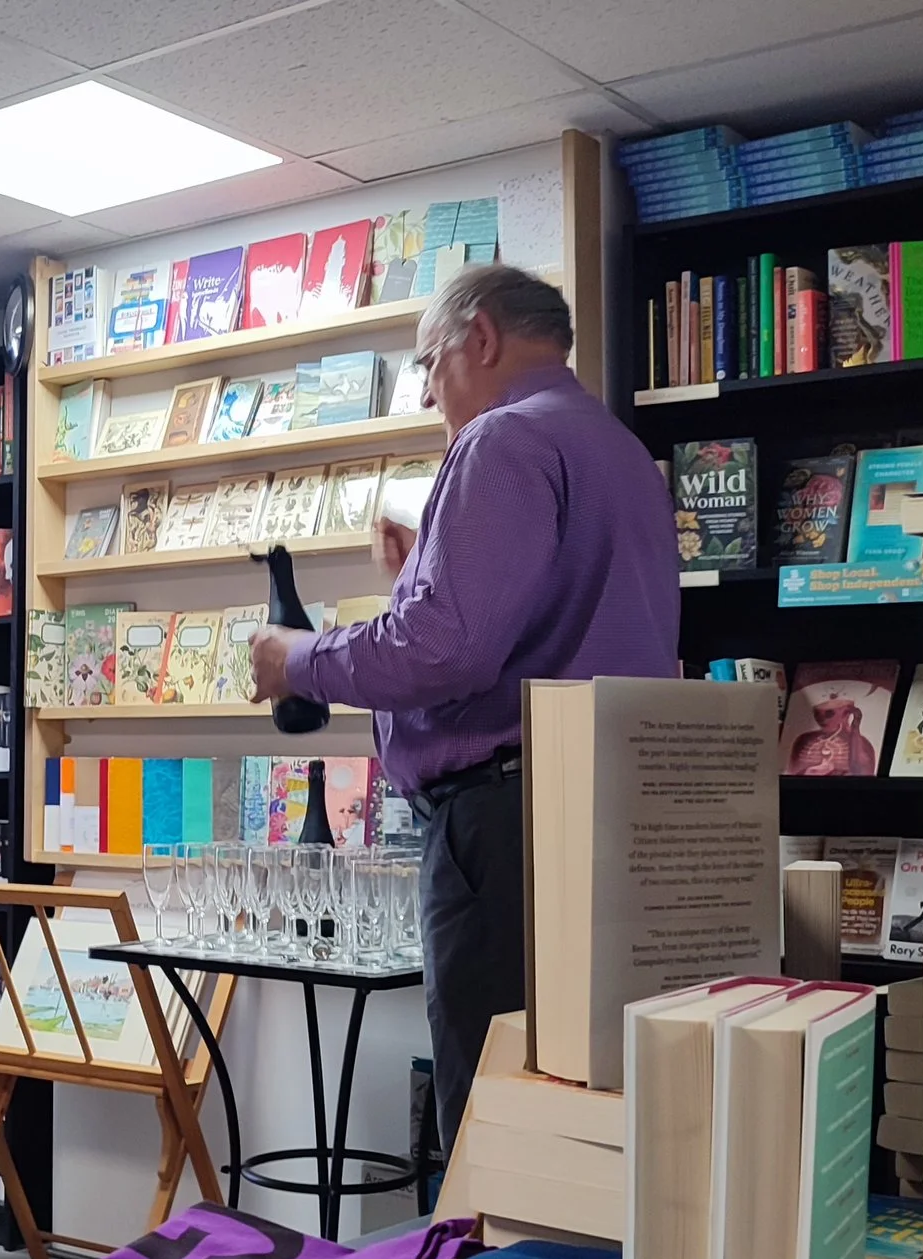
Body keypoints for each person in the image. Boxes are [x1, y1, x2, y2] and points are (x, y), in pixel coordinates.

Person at [248, 265, 681, 1147]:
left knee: (494, 1108)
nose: (430, 392)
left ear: (480, 339)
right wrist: (423, 573)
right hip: (615, 813)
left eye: (428, 364)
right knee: (583, 1104)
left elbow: (441, 650)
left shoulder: (500, 443)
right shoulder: (621, 452)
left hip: (505, 822)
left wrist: (299, 661)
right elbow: (546, 631)